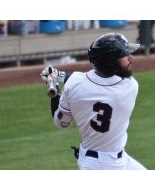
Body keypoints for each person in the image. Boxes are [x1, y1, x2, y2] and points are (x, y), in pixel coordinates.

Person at [40, 33, 147, 170]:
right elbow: (89, 83)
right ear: (111, 63)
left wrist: (55, 88)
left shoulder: (75, 85)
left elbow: (61, 123)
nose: (131, 58)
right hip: (104, 167)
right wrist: (61, 76)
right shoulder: (130, 86)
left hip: (93, 162)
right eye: (125, 55)